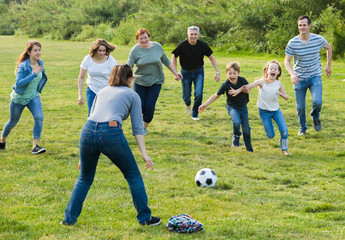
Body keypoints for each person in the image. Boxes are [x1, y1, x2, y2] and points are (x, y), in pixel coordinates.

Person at [61, 64, 161, 226]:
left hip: (87, 132)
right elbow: (137, 127)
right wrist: (144, 153)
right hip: (110, 132)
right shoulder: (132, 94)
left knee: (84, 178)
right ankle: (145, 218)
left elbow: (91, 116)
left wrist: (84, 154)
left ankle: (68, 219)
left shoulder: (102, 91)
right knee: (133, 176)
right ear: (130, 79)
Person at [128, 28, 182, 135]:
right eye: (140, 39)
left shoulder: (157, 46)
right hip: (140, 80)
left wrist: (175, 73)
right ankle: (139, 122)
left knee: (149, 106)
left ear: (149, 37)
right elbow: (129, 65)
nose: (143, 40)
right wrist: (130, 75)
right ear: (137, 40)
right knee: (140, 105)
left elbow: (166, 60)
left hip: (156, 80)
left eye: (145, 38)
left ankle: (143, 127)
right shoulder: (135, 50)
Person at [284, 15, 332, 136]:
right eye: (300, 25)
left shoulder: (318, 39)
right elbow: (286, 61)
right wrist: (292, 74)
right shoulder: (292, 42)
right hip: (299, 78)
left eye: (304, 25)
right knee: (300, 107)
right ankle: (302, 128)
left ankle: (315, 116)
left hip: (315, 76)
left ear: (309, 26)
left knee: (317, 102)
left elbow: (329, 47)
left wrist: (328, 65)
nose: (302, 27)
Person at [232, 60, 290, 155]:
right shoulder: (261, 82)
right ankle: (270, 125)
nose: (273, 70)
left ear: (278, 72)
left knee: (284, 130)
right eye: (271, 68)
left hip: (276, 111)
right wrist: (237, 91)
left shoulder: (278, 84)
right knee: (271, 135)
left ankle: (284, 149)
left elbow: (287, 97)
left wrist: (282, 95)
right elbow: (248, 86)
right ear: (267, 70)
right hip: (264, 112)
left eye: (275, 69)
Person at [0, 40, 48, 154]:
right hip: (19, 98)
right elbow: (19, 83)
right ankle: (2, 140)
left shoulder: (40, 63)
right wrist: (33, 74)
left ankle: (35, 147)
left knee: (39, 117)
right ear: (29, 52)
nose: (38, 52)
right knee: (12, 122)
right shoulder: (23, 66)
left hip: (33, 97)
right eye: (35, 50)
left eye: (39, 50)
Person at [198, 62, 253, 152]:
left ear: (238, 73)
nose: (232, 75)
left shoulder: (243, 80)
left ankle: (249, 147)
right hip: (232, 107)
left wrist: (239, 91)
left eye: (234, 73)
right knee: (236, 121)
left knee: (246, 129)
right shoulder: (226, 84)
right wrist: (205, 104)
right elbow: (216, 95)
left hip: (243, 107)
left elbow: (249, 89)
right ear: (226, 74)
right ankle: (236, 135)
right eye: (230, 73)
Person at [172, 26, 221, 121]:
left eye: (195, 34)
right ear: (188, 35)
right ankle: (187, 104)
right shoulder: (182, 45)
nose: (193, 36)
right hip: (185, 73)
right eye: (191, 34)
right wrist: (175, 72)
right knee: (186, 96)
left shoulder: (202, 45)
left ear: (198, 35)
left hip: (199, 72)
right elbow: (174, 56)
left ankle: (195, 114)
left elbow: (211, 57)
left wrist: (217, 72)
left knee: (198, 93)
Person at [77, 39, 117, 115]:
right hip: (92, 89)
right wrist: (80, 95)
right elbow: (81, 77)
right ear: (95, 50)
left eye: (104, 51)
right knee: (92, 114)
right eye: (100, 51)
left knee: (105, 114)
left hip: (106, 90)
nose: (102, 53)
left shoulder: (111, 61)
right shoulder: (87, 59)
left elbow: (116, 78)